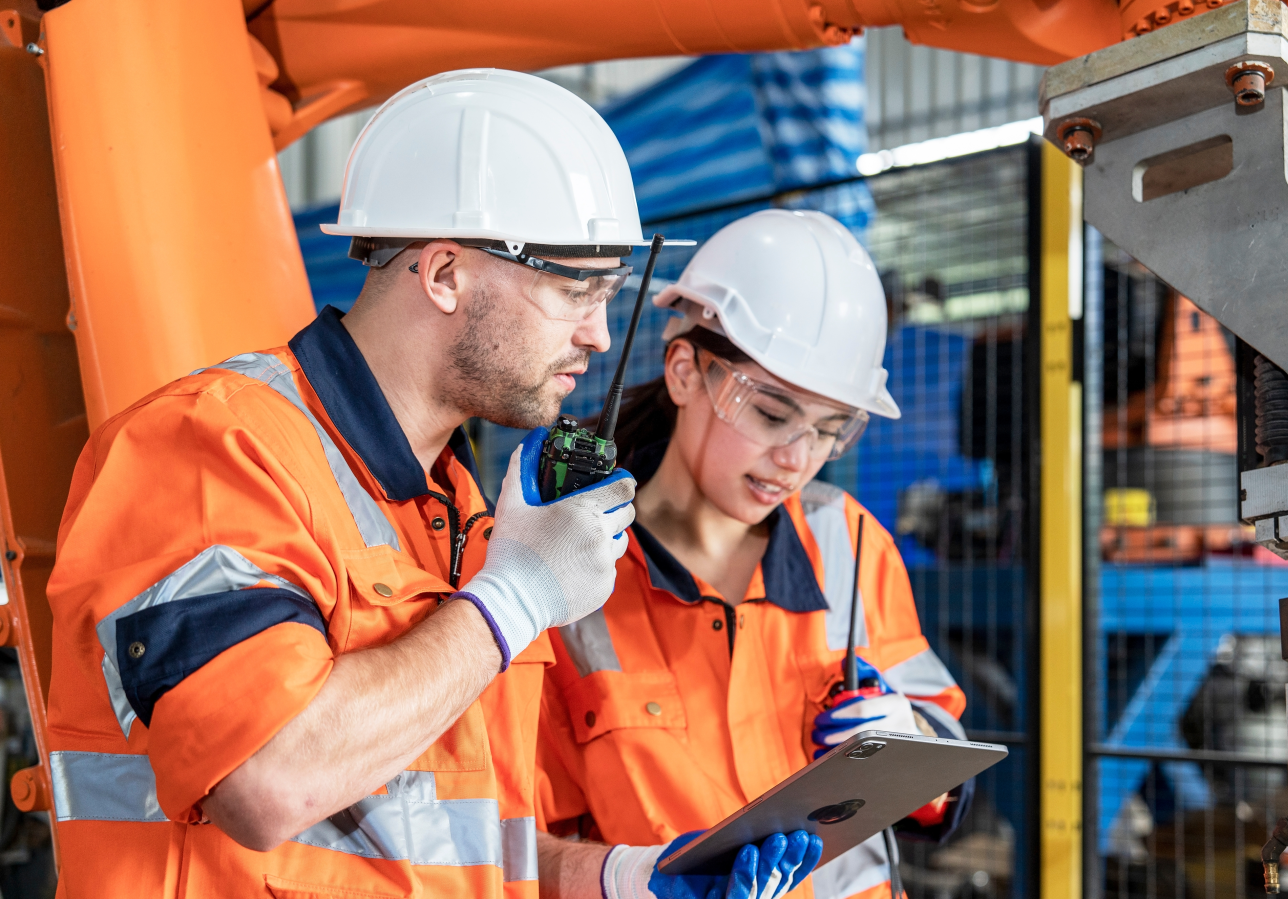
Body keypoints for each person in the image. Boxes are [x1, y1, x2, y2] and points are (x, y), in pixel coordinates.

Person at [43, 69, 817, 899]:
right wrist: (513, 600)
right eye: (573, 288)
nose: (597, 333)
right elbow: (265, 777)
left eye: (609, 294)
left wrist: (627, 876)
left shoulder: (466, 522)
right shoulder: (208, 446)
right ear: (445, 273)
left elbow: (459, 853)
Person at [535, 210, 973, 899]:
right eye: (772, 414)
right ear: (685, 372)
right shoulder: (568, 571)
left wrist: (910, 739)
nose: (796, 459)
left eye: (831, 430)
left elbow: (941, 756)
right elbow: (521, 847)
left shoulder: (849, 540)